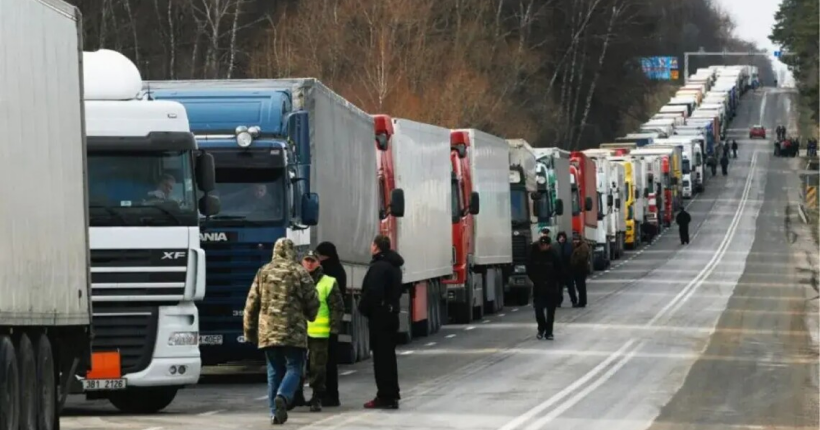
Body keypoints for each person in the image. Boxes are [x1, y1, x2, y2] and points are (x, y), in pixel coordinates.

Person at [243, 238, 319, 425]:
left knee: (273, 370)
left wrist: (249, 331)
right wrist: (311, 315)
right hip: (293, 331)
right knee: (294, 367)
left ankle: (274, 413)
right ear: (293, 252)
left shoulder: (263, 272)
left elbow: (251, 304)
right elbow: (312, 301)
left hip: (268, 331)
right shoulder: (300, 272)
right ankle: (283, 397)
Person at [359, 235, 404, 409]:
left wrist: (363, 309)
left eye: (372, 244)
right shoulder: (395, 266)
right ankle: (392, 394)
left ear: (377, 247)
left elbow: (372, 292)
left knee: (381, 360)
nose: (371, 247)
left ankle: (385, 396)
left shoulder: (379, 267)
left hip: (380, 318)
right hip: (392, 315)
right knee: (389, 358)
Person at [300, 250, 345, 412]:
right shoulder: (296, 280)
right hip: (298, 332)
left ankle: (317, 396)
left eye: (313, 260)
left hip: (320, 333)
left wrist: (333, 328)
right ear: (302, 262)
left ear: (319, 263)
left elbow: (337, 307)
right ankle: (297, 395)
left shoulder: (328, 282)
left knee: (317, 367)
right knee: (297, 366)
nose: (310, 263)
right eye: (307, 260)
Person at [314, 241, 347, 407]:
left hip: (322, 325)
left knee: (322, 364)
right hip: (331, 324)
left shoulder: (326, 273)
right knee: (330, 362)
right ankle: (332, 394)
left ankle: (327, 395)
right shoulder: (339, 270)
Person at [526, 236, 562, 340]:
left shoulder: (554, 254)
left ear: (549, 245)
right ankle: (541, 328)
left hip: (551, 287)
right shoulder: (535, 254)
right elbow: (530, 268)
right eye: (542, 245)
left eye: (546, 245)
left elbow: (559, 269)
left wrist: (557, 283)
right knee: (539, 310)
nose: (544, 247)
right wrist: (535, 280)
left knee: (550, 312)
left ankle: (549, 332)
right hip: (539, 287)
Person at [554, 232, 576, 307]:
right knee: (559, 289)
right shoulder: (555, 246)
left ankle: (574, 301)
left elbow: (572, 257)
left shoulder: (569, 246)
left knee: (571, 288)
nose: (562, 238)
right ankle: (558, 302)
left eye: (563, 237)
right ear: (558, 238)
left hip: (568, 270)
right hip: (559, 271)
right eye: (560, 237)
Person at [569, 234, 590, 308]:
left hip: (581, 269)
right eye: (574, 240)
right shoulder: (577, 246)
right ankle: (582, 301)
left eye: (577, 240)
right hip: (577, 269)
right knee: (579, 286)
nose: (575, 241)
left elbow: (582, 258)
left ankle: (582, 302)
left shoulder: (583, 247)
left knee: (581, 286)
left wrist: (575, 261)